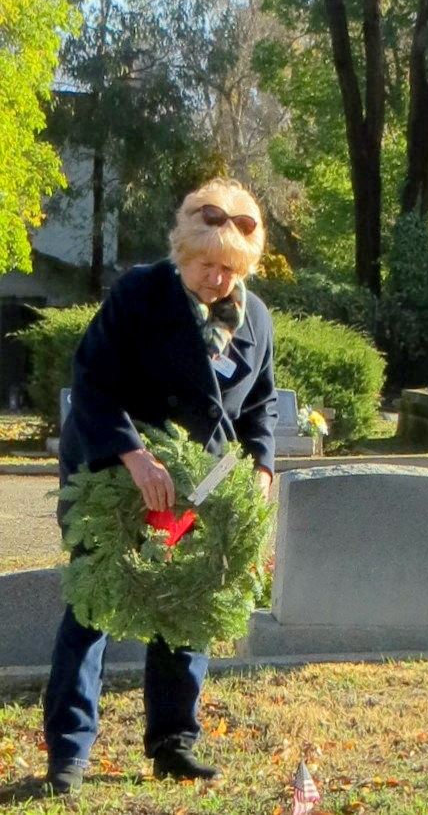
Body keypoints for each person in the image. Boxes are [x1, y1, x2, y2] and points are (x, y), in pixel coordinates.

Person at [43, 178, 277, 795]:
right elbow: (92, 380)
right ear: (182, 252)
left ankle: (174, 740)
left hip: (201, 483)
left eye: (230, 268)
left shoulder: (255, 319)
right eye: (206, 264)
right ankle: (68, 754)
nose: (217, 279)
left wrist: (261, 464)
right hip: (115, 473)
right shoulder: (141, 295)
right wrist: (135, 456)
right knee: (92, 609)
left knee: (187, 606)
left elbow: (260, 407)